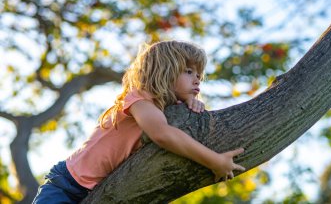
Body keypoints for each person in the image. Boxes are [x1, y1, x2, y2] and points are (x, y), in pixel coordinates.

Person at [32, 40, 245, 203]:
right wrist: (215, 161)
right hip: (67, 183)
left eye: (199, 74)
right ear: (165, 71)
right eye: (188, 72)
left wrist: (189, 99)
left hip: (101, 189)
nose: (197, 79)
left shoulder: (165, 108)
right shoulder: (138, 99)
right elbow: (162, 134)